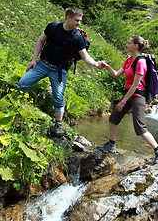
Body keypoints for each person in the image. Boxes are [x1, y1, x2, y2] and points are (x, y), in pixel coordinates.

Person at [17, 7, 103, 136]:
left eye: (80, 20)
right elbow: (40, 41)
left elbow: (85, 56)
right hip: (43, 64)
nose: (79, 23)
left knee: (58, 96)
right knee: (23, 83)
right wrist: (33, 60)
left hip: (59, 70)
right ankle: (19, 108)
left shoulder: (77, 36)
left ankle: (58, 124)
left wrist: (96, 63)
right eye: (77, 20)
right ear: (68, 18)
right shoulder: (53, 27)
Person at [97, 35, 158, 164]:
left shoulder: (141, 62)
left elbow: (136, 85)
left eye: (128, 43)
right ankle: (111, 145)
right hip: (129, 94)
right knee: (114, 118)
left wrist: (123, 101)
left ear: (136, 46)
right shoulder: (129, 60)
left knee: (140, 127)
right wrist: (106, 66)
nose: (126, 45)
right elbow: (116, 74)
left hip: (138, 96)